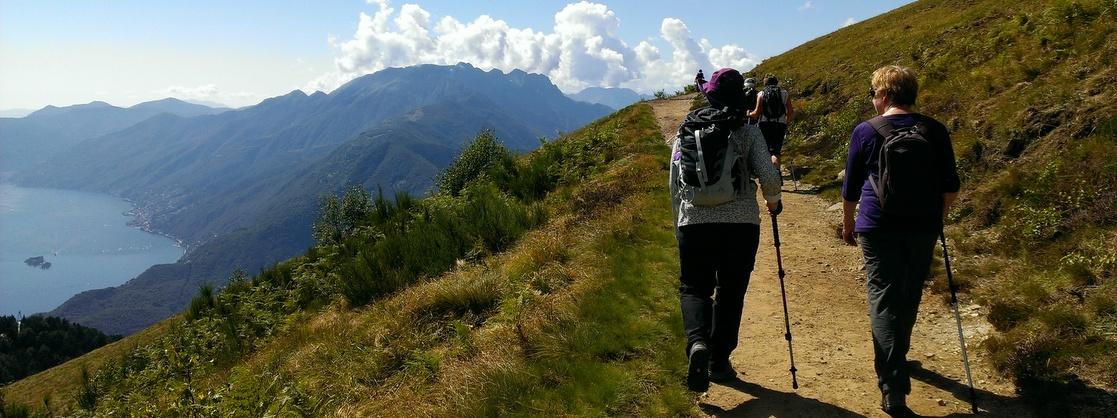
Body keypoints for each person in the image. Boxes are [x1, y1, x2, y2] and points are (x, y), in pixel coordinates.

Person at [840, 65, 960, 417]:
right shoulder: (934, 130)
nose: (874, 100)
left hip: (877, 225)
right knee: (909, 293)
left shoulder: (866, 131)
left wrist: (848, 224)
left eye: (874, 94)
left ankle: (892, 384)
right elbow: (951, 186)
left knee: (882, 296)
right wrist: (938, 215)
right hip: (923, 225)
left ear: (885, 95)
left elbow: (850, 188)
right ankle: (899, 356)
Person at [670, 68, 783, 392]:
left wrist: (681, 220)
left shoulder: (685, 131)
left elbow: (675, 184)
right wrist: (773, 202)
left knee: (694, 288)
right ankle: (719, 361)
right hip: (740, 226)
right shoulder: (748, 131)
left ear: (709, 95)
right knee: (731, 292)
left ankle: (696, 344)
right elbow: (770, 179)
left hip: (694, 223)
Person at [748, 76, 794, 167]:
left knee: (765, 149)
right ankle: (777, 171)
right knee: (776, 151)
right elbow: (790, 111)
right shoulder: (784, 93)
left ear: (765, 84)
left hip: (764, 124)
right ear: (777, 83)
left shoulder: (761, 94)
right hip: (780, 124)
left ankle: (768, 173)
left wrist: (749, 114)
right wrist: (786, 122)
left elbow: (756, 113)